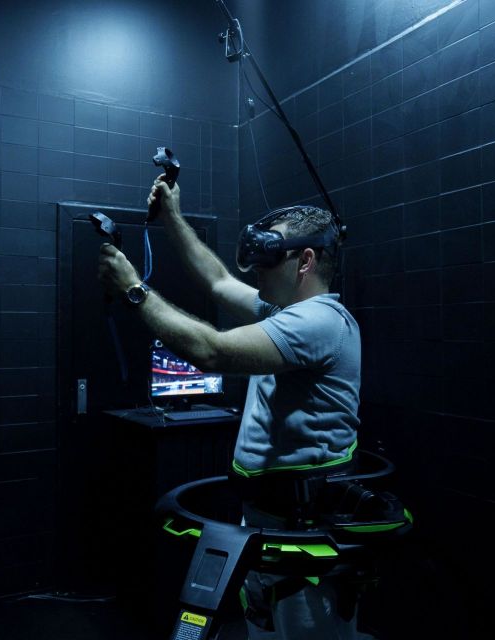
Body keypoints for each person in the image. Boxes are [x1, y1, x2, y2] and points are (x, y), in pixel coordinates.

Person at [97, 176, 363, 639]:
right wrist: (173, 218)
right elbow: (218, 281)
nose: (256, 268)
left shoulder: (320, 321)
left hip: (304, 536)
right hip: (268, 521)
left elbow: (212, 351)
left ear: (305, 261)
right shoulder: (285, 313)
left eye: (269, 256)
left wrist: (134, 289)